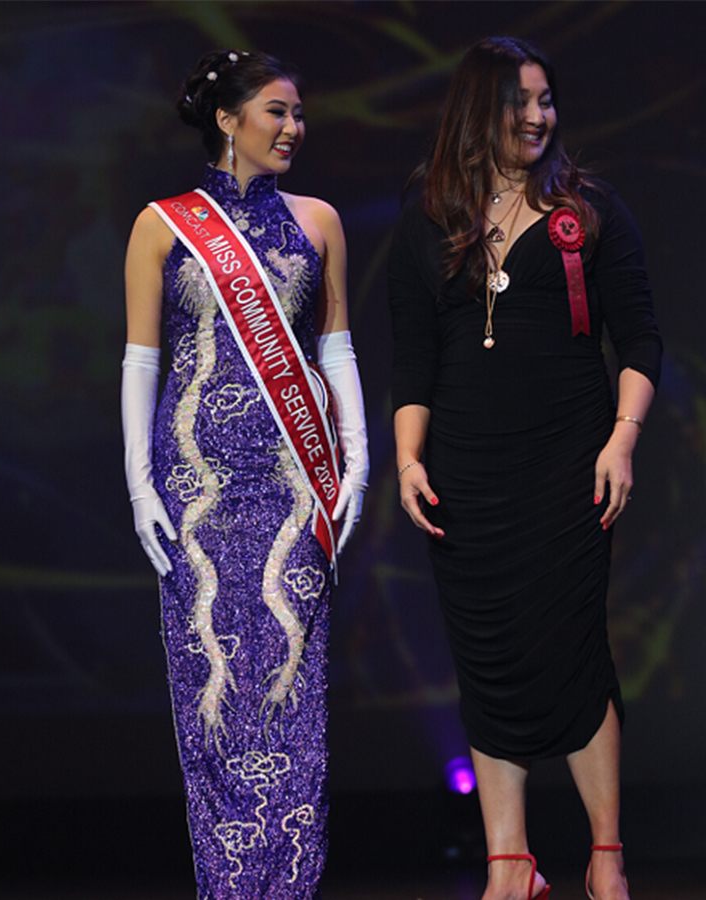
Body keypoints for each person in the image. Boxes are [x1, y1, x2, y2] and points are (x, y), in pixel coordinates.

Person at [389, 37, 659, 900]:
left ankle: (605, 855)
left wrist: (622, 438)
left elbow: (641, 337)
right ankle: (512, 863)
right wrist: (406, 457)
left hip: (567, 464)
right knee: (489, 652)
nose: (540, 116)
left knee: (573, 647)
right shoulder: (431, 211)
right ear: (481, 111)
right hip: (467, 469)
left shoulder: (591, 209)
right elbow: (414, 354)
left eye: (547, 100)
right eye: (521, 102)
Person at [120, 49, 367, 897]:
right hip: (196, 488)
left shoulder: (320, 219)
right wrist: (139, 483)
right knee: (212, 690)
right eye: (276, 111)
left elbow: (334, 350)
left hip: (295, 481)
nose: (294, 127)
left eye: (298, 113)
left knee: (292, 692)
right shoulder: (163, 224)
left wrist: (356, 462)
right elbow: (141, 363)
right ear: (227, 120)